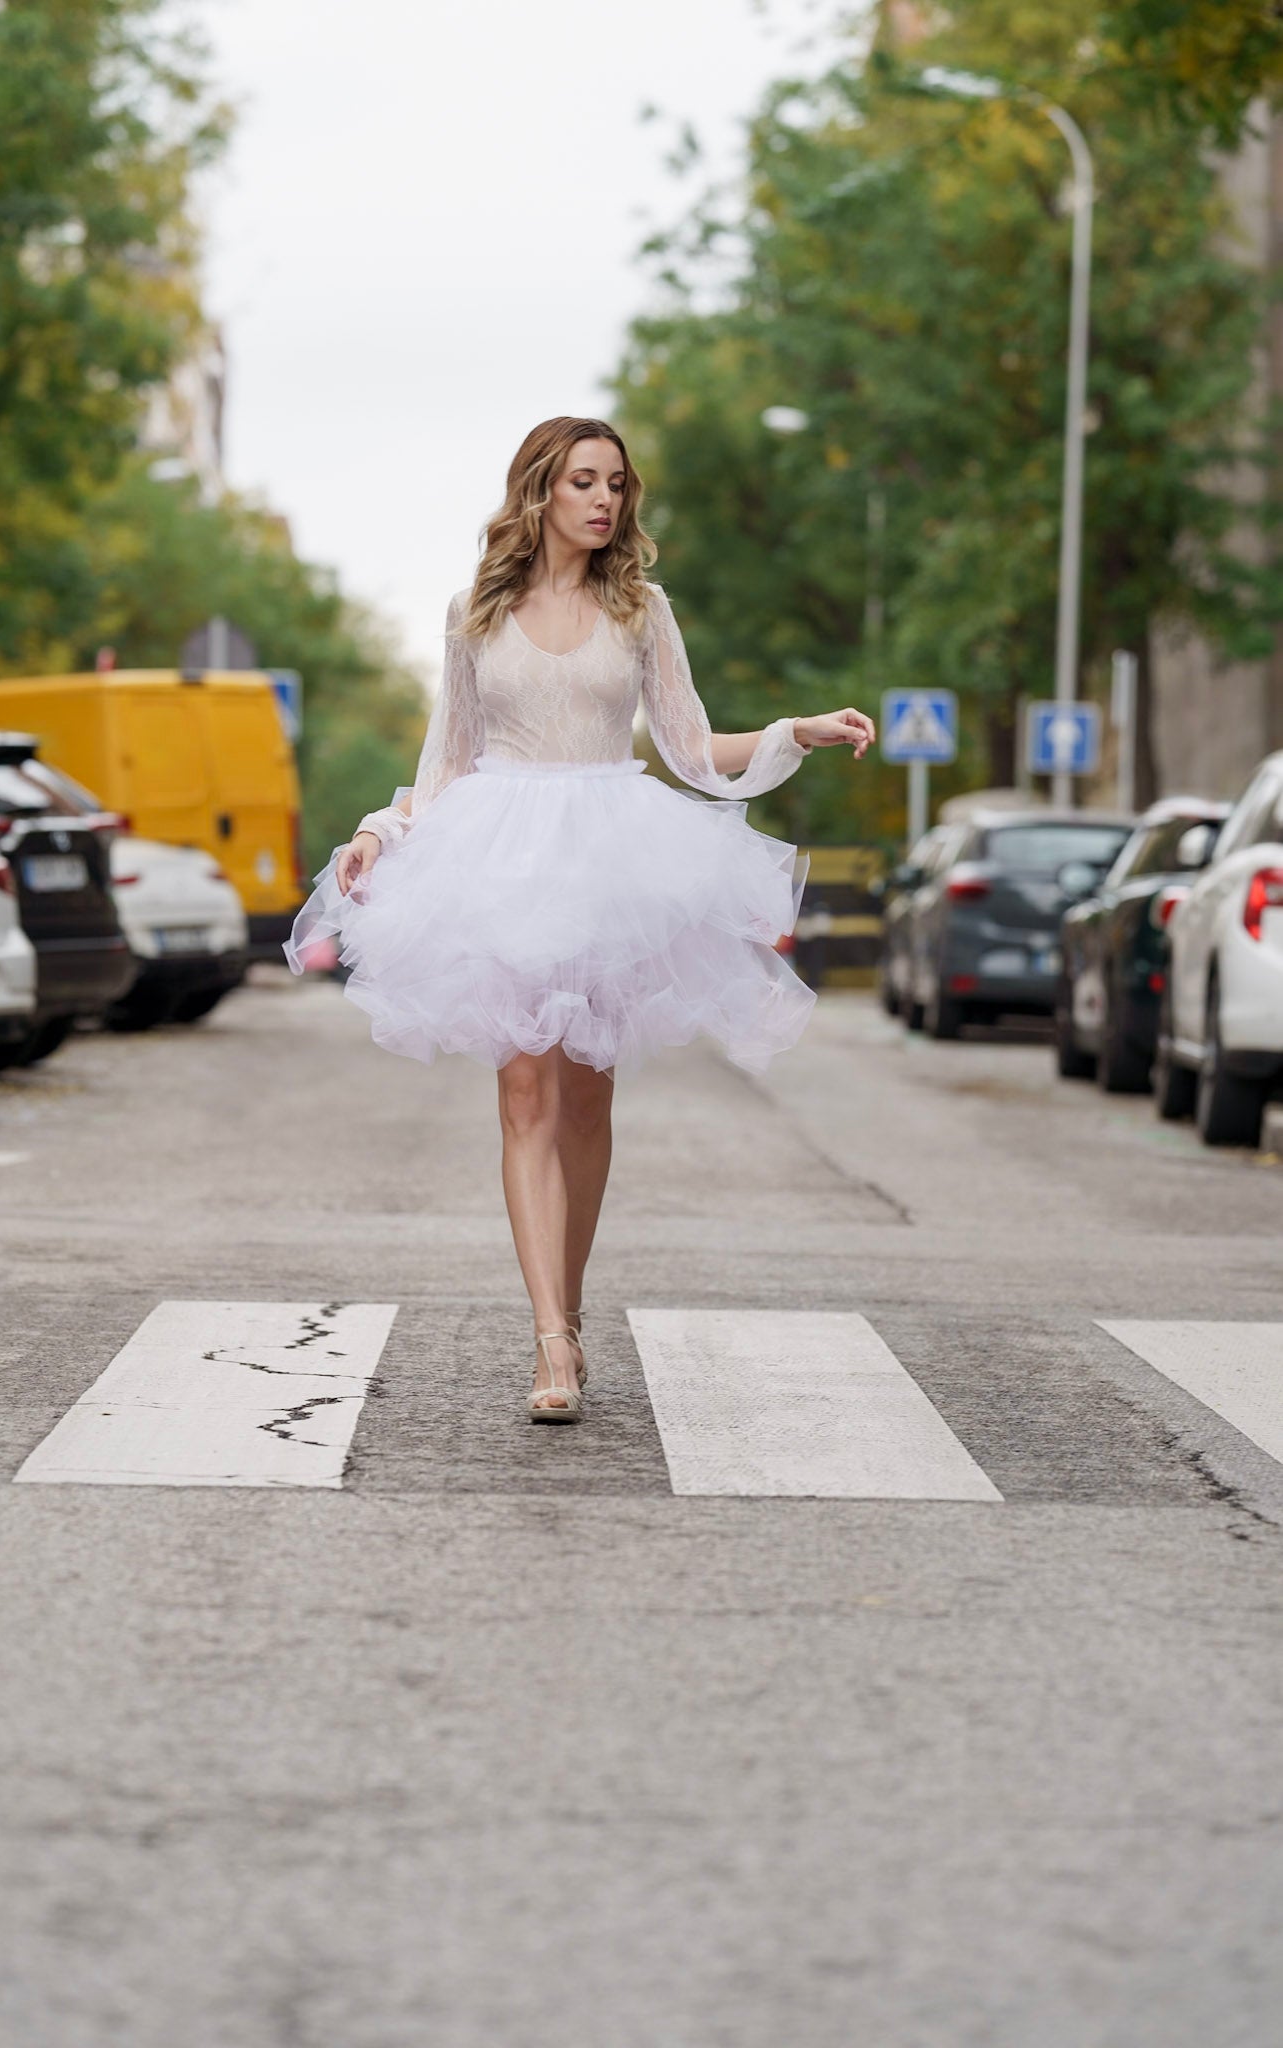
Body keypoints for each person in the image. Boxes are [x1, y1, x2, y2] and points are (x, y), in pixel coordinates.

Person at [284, 416, 874, 1422]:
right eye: (583, 482)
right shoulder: (474, 610)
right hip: (499, 859)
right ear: (542, 492)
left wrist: (793, 732)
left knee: (587, 1108)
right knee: (525, 1099)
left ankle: (574, 1296)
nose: (604, 500)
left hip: (611, 858)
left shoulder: (642, 610)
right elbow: (450, 757)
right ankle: (550, 1336)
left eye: (615, 484)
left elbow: (689, 747)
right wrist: (381, 833)